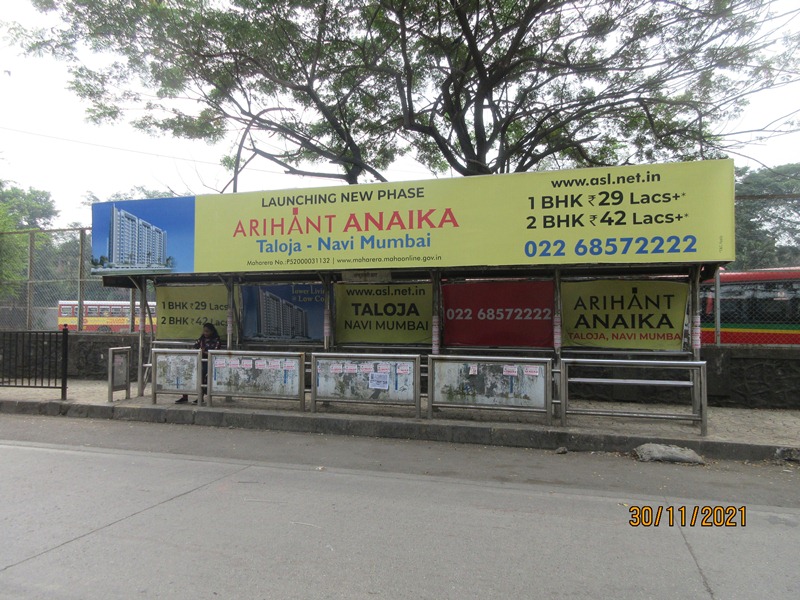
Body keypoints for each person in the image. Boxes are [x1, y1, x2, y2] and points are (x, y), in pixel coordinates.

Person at [176, 322, 222, 404]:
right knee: (186, 372)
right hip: (197, 360)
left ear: (212, 331)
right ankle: (184, 396)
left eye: (207, 331)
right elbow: (195, 347)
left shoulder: (216, 340)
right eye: (204, 331)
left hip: (208, 362)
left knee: (202, 375)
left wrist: (204, 352)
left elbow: (215, 352)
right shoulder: (201, 339)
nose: (205, 333)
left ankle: (201, 397)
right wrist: (196, 350)